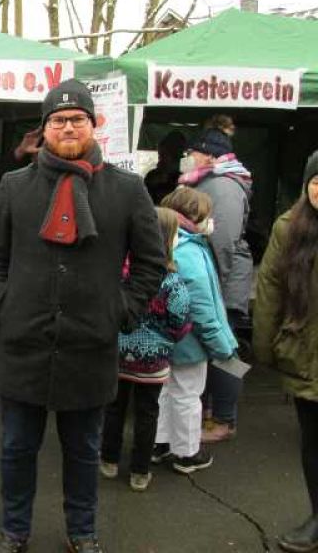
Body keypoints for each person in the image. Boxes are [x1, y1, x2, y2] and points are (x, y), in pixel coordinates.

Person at [0, 78, 166, 553]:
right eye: (58, 120)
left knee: (83, 453)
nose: (67, 127)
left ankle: (82, 532)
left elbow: (151, 262)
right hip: (23, 346)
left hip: (90, 347)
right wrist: (4, 303)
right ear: (43, 129)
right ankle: (14, 531)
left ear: (93, 124)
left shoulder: (127, 189)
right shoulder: (15, 186)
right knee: (17, 450)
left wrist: (121, 310)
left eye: (77, 119)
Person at [100, 207, 191, 493]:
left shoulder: (119, 273)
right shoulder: (172, 281)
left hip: (117, 354)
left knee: (114, 407)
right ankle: (140, 471)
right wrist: (166, 339)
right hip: (153, 360)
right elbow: (180, 321)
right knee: (147, 412)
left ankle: (108, 460)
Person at [253, 150, 318, 553]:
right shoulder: (288, 228)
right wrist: (266, 345)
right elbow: (270, 288)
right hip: (304, 352)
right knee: (313, 444)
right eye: (316, 181)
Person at [153, 187, 237, 475]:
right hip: (189, 342)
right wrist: (222, 345)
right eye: (207, 215)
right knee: (188, 396)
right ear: (193, 215)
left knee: (165, 391)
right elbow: (202, 308)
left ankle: (159, 443)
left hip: (164, 339)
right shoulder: (190, 251)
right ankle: (187, 453)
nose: (211, 220)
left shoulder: (166, 241)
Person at [178, 128, 252, 443]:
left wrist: (213, 289)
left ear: (208, 155)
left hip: (224, 284)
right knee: (214, 350)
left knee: (225, 352)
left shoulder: (224, 186)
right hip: (215, 280)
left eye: (192, 152)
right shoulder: (209, 181)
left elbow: (222, 242)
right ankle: (211, 414)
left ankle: (224, 419)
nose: (187, 158)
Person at [144, 130, 186, 205]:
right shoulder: (152, 176)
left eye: (163, 155)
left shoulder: (185, 177)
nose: (160, 159)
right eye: (160, 155)